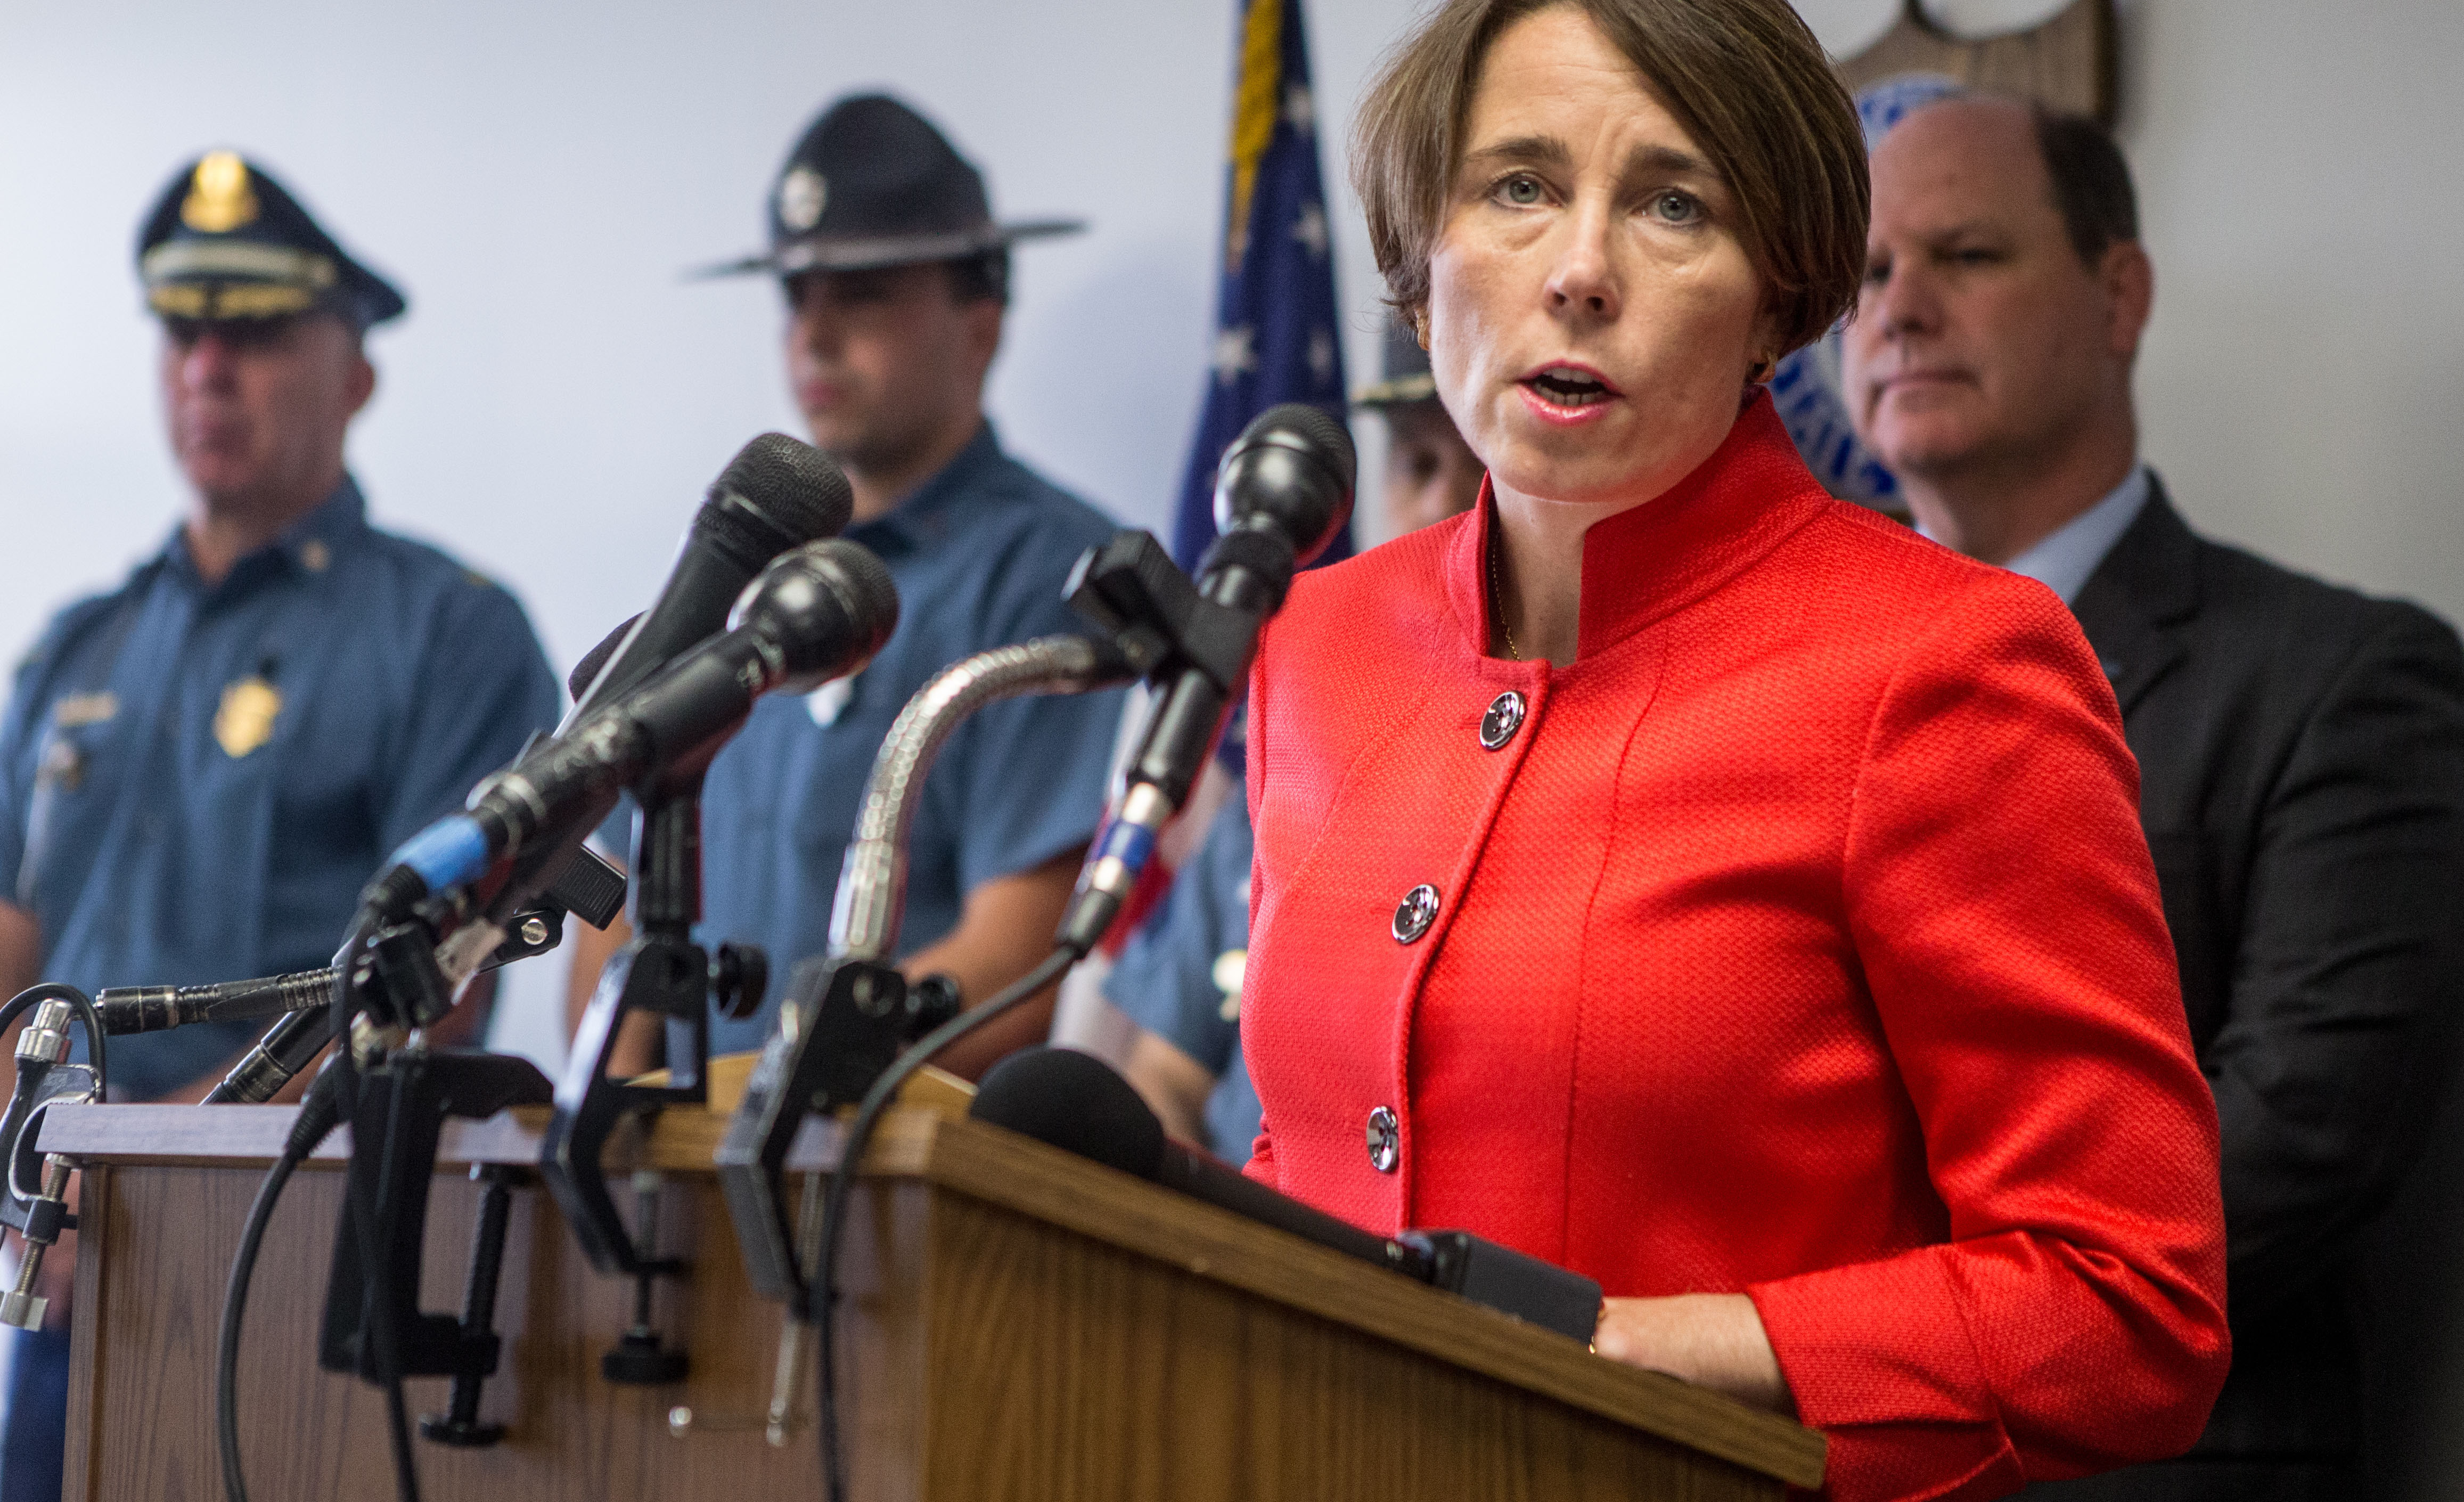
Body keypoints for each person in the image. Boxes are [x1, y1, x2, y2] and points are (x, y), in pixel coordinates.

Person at [1235, 0, 2232, 1502]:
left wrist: (1661, 1346)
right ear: (1421, 262)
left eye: (1671, 205)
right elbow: (1307, 1148)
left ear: (1778, 294)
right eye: (1517, 186)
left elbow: (2129, 1303)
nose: (1580, 269)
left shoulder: (1942, 665)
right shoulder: (1313, 641)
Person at [1840, 92, 2464, 1501]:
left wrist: (1847, 1338)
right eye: (1870, 273)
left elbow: (2299, 1133)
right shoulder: (1788, 675)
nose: (1897, 310)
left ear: (2118, 295)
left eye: (1965, 254)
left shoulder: (2343, 679)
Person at [0, 152, 561, 1501]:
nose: (209, 369)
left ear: (356, 374)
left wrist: (130, 1168)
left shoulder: (452, 635)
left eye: (253, 333)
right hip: (67, 1271)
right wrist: (29, 1178)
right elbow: (12, 942)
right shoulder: (81, 643)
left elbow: (429, 998)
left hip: (286, 1270)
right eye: (184, 332)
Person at [567, 94, 1127, 1081]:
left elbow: (1021, 960)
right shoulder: (737, 563)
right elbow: (614, 902)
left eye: (863, 294)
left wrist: (768, 1100)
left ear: (981, 324)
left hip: (889, 1155)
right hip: (688, 1155)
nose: (814, 334)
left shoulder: (1057, 575)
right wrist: (607, 1125)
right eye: (796, 294)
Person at [1109, 327, 1482, 1162]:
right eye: (1417, 465)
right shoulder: (1294, 761)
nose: (1443, 504)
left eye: (1482, 470)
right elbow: (1163, 1077)